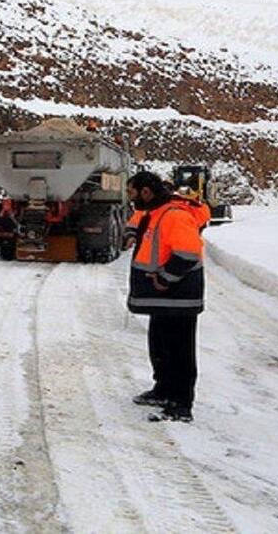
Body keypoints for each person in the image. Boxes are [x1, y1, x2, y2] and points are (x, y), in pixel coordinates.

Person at [125, 171, 205, 423]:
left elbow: (187, 255)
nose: (130, 198)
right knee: (160, 344)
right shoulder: (156, 212)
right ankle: (163, 390)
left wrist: (164, 279)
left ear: (146, 192)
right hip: (163, 298)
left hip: (178, 297)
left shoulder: (175, 215)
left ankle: (181, 404)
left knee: (180, 350)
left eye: (132, 192)